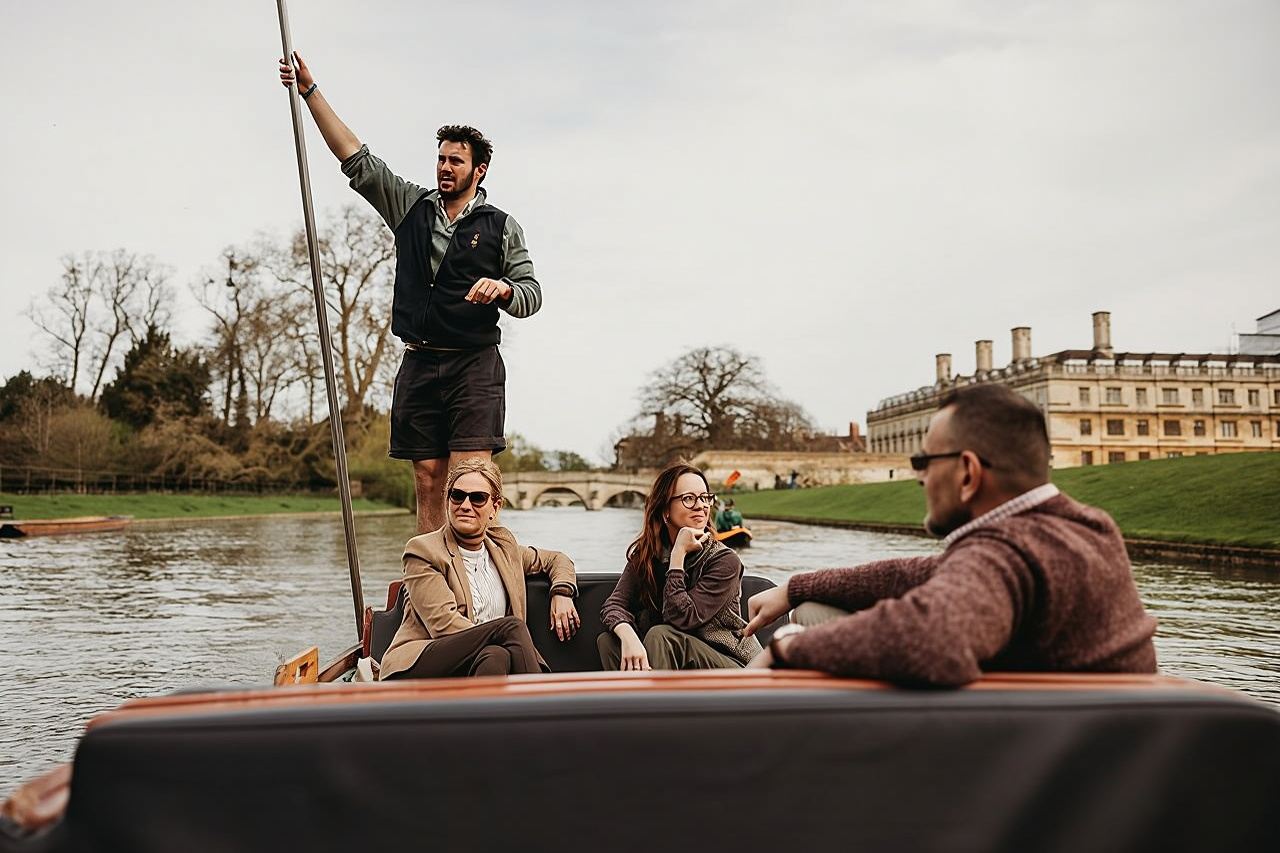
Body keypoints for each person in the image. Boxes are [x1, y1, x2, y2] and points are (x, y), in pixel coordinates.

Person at [278, 53, 543, 534]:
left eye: (455, 161)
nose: (444, 167)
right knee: (427, 477)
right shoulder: (410, 206)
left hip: (474, 364)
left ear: (478, 170)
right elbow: (354, 156)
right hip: (420, 361)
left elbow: (531, 294)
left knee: (469, 479)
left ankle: (476, 581)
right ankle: (429, 577)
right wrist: (310, 93)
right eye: (440, 158)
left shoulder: (502, 227)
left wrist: (504, 289)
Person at [744, 383, 1158, 686]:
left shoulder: (1006, 550)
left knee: (808, 628)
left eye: (923, 461)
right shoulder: (1088, 528)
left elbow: (933, 641)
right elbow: (915, 575)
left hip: (1032, 777)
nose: (918, 477)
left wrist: (787, 646)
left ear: (968, 472)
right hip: (1100, 755)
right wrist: (796, 588)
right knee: (816, 609)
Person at [379, 459, 579, 680]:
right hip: (422, 661)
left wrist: (561, 592)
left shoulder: (504, 550)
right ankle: (542, 708)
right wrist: (502, 633)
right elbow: (443, 626)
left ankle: (484, 714)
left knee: (495, 655)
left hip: (484, 657)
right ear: (447, 501)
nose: (465, 505)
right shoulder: (423, 551)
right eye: (457, 495)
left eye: (477, 498)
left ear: (495, 507)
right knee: (511, 628)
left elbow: (557, 559)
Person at [598, 464, 761, 671]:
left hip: (733, 666)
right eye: (689, 498)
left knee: (661, 635)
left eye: (705, 497)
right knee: (609, 641)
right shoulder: (647, 555)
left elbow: (682, 618)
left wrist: (677, 558)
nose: (701, 505)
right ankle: (635, 701)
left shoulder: (724, 560)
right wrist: (628, 635)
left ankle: (655, 702)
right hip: (674, 660)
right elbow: (613, 605)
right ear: (665, 510)